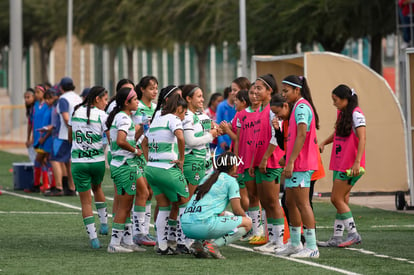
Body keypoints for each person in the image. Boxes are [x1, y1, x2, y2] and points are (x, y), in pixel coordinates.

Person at [275, 75, 320, 258]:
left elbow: (302, 135)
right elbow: (294, 138)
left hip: (301, 164)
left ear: (297, 90)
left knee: (302, 203)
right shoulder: (297, 108)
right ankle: (295, 244)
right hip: (296, 163)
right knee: (289, 202)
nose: (283, 94)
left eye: (286, 91)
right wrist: (287, 158)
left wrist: (291, 160)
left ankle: (312, 247)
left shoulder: (301, 107)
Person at [317, 84, 366, 248]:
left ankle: (353, 234)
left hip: (350, 166)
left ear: (346, 99)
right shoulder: (342, 113)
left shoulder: (356, 114)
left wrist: (357, 163)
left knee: (335, 198)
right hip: (340, 162)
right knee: (342, 199)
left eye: (335, 100)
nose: (334, 103)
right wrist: (324, 142)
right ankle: (337, 237)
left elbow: (363, 138)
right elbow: (338, 133)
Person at [181, 152, 252, 259]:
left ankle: (197, 244)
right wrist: (247, 222)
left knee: (218, 214)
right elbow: (237, 210)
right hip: (202, 225)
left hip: (185, 226)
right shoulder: (231, 181)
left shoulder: (207, 177)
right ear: (232, 166)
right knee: (247, 223)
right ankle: (214, 245)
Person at [144, 92, 189, 255]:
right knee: (185, 203)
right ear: (178, 108)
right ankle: (184, 243)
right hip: (167, 168)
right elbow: (181, 138)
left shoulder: (157, 119)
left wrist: (149, 159)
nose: (184, 116)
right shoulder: (174, 119)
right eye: (184, 112)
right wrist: (182, 159)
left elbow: (144, 141)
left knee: (163, 206)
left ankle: (162, 245)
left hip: (151, 168)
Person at [179, 84, 220, 253]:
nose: (202, 99)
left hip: (203, 163)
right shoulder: (186, 116)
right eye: (199, 96)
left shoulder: (199, 115)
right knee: (188, 201)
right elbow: (190, 141)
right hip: (192, 163)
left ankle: (198, 237)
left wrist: (218, 129)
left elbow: (211, 128)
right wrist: (212, 135)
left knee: (201, 201)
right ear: (188, 99)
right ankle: (184, 239)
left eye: (203, 96)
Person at [69, 86, 110, 249]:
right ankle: (105, 224)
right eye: (105, 99)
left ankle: (93, 239)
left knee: (85, 202)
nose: (106, 103)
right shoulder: (102, 115)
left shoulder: (76, 111)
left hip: (79, 162)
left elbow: (69, 136)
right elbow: (108, 137)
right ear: (97, 99)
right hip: (97, 161)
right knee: (98, 188)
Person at [248, 74, 285, 253]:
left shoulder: (273, 110)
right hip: (261, 163)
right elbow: (258, 139)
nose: (254, 90)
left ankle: (279, 241)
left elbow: (275, 138)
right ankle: (272, 239)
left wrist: (263, 159)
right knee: (264, 201)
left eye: (259, 87)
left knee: (272, 202)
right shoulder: (262, 110)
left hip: (272, 163)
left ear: (269, 90)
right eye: (254, 87)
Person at [106, 87, 146, 253]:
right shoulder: (123, 118)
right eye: (135, 99)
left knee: (142, 193)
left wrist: (142, 128)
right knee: (125, 204)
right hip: (124, 165)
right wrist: (135, 150)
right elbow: (121, 141)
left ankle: (128, 240)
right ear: (126, 103)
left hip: (129, 164)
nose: (138, 101)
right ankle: (114, 243)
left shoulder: (125, 117)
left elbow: (128, 137)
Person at [131, 76, 159, 246]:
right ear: (142, 89)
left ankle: (145, 231)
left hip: (151, 153)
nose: (154, 91)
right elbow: (132, 132)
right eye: (151, 88)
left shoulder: (155, 108)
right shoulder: (136, 107)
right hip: (136, 153)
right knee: (142, 193)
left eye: (156, 88)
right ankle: (137, 232)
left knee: (149, 192)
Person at [56, 77, 82, 196]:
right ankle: (72, 187)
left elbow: (66, 117)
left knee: (56, 159)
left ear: (61, 88)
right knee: (70, 161)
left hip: (66, 134)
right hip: (78, 132)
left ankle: (62, 186)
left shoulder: (63, 98)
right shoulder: (77, 97)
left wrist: (71, 129)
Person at [216, 77, 250, 155]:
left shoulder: (247, 114)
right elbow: (226, 127)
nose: (232, 93)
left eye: (235, 90)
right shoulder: (238, 113)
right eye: (231, 90)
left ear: (244, 91)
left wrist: (226, 129)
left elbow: (240, 140)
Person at [24, 88, 36, 163]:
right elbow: (30, 124)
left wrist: (33, 139)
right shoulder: (30, 109)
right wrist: (28, 139)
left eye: (28, 97)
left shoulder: (36, 108)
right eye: (25, 97)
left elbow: (37, 125)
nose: (26, 99)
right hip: (34, 137)